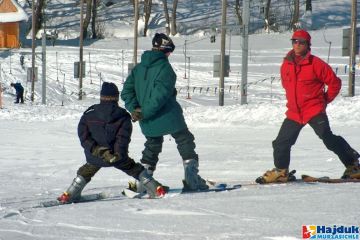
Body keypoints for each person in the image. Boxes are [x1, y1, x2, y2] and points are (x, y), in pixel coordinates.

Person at [256, 30, 360, 184]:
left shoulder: (316, 63)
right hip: (294, 112)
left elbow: (334, 83)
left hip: (313, 110)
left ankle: (353, 166)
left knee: (328, 139)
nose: (297, 44)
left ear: (307, 45)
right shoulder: (286, 64)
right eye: (294, 41)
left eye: (301, 42)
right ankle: (281, 171)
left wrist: (324, 101)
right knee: (281, 142)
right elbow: (287, 85)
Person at [121, 33, 209, 192]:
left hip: (146, 119)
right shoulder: (165, 68)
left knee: (152, 146)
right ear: (165, 50)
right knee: (185, 140)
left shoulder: (138, 68)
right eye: (169, 52)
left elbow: (126, 92)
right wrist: (144, 111)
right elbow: (159, 97)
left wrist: (136, 110)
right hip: (168, 115)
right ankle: (192, 179)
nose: (169, 55)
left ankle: (144, 183)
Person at [57, 82, 166, 203]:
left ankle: (70, 194)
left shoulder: (89, 114)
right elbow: (122, 138)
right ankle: (156, 189)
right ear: (116, 97)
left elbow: (84, 136)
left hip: (96, 156)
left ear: (101, 97)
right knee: (135, 169)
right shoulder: (123, 116)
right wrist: (117, 154)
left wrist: (97, 150)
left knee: (86, 171)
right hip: (117, 157)